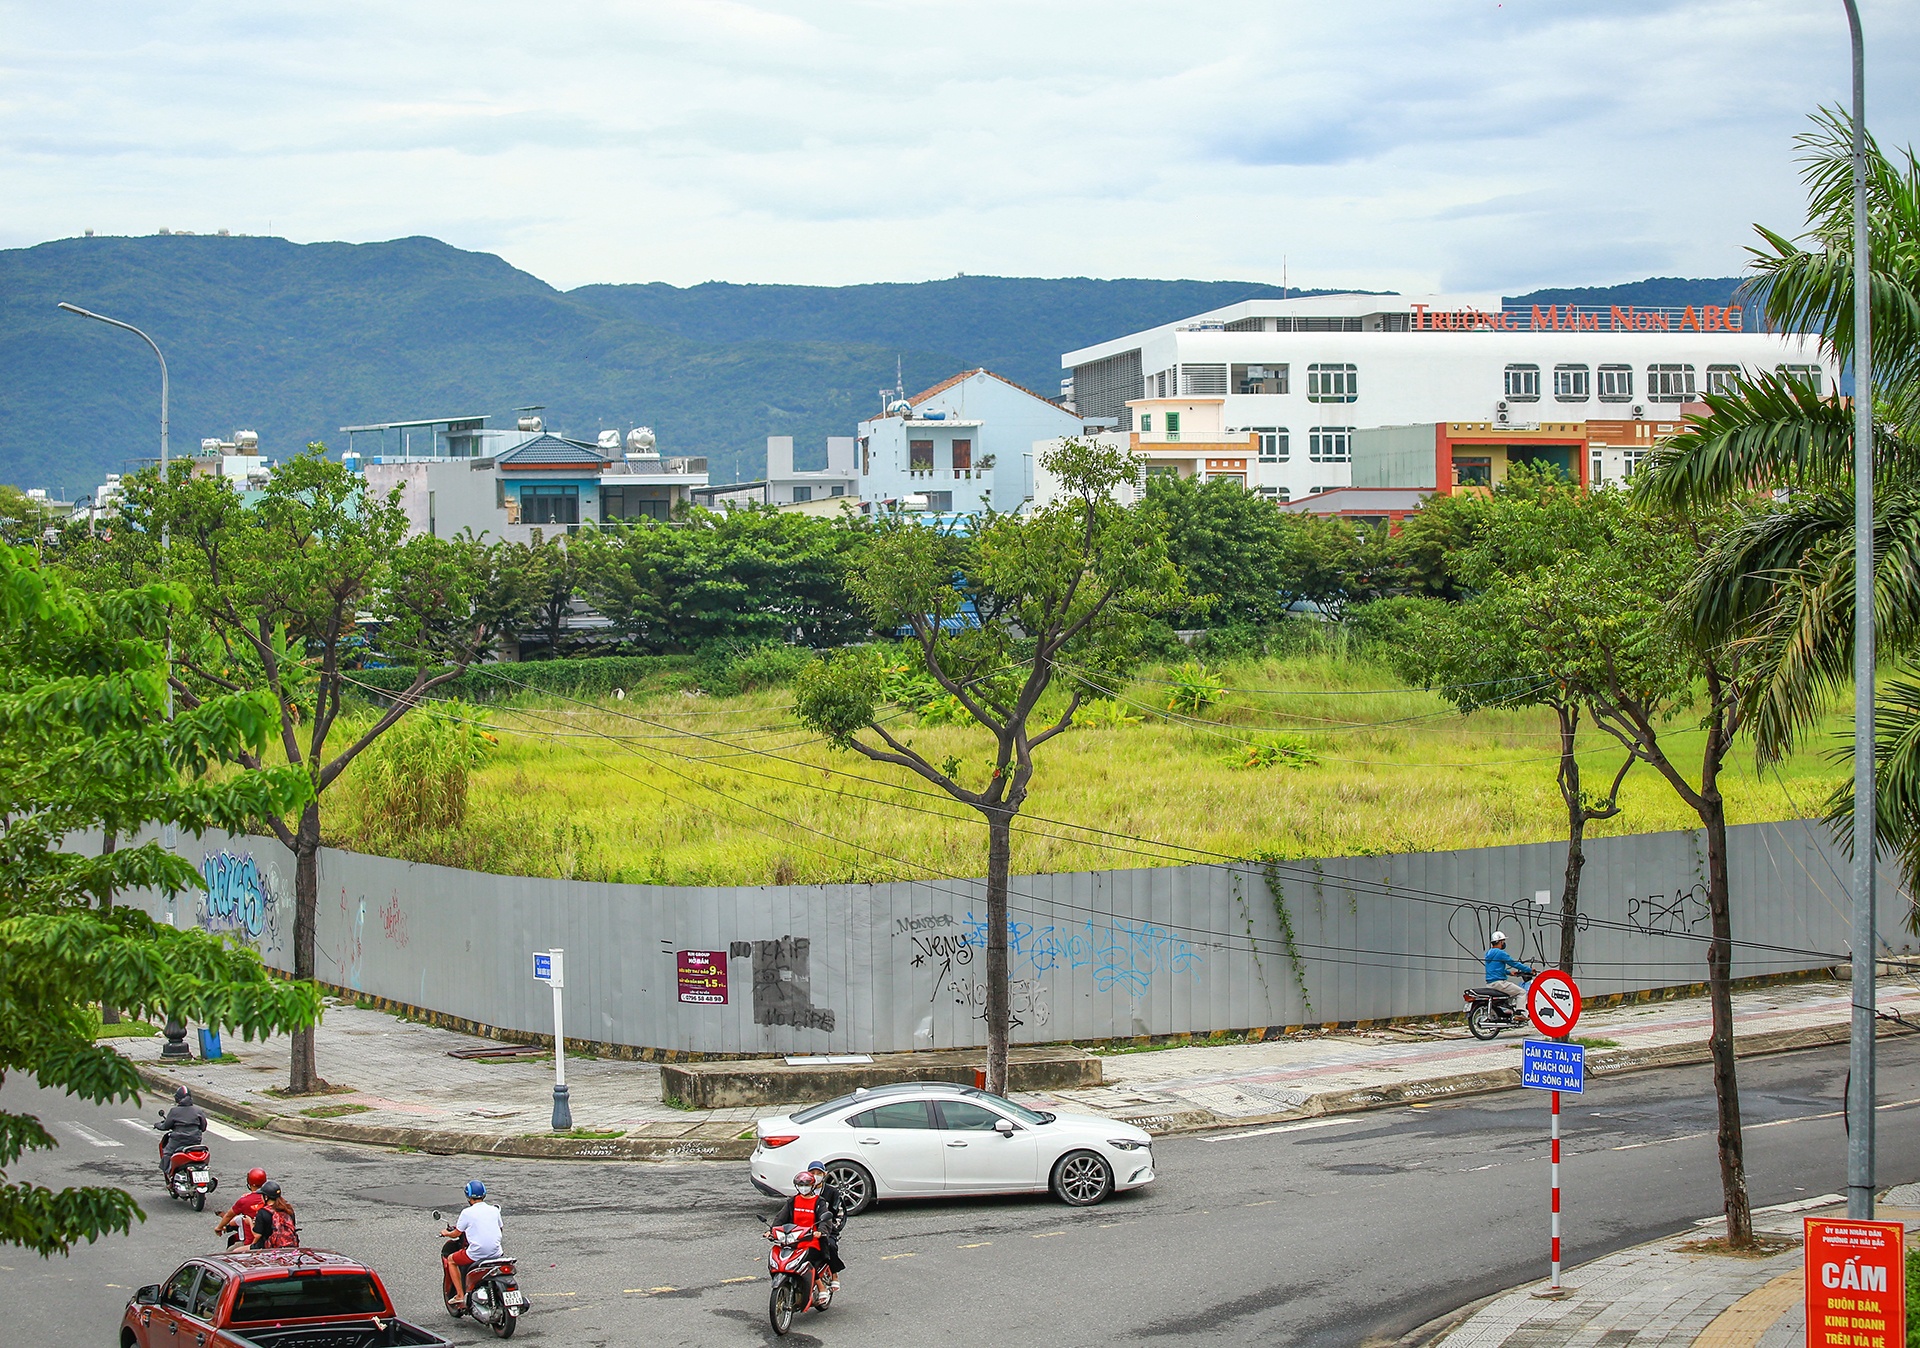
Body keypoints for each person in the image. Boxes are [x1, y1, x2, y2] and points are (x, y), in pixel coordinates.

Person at [772, 1168, 845, 1292]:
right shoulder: (792, 1201)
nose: (803, 1188)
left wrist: (820, 1232)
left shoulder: (819, 1202)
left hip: (811, 1239)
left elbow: (825, 1218)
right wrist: (772, 1230)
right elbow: (780, 1218)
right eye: (800, 1185)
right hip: (794, 1239)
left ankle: (821, 1288)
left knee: (806, 1260)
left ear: (812, 1186)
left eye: (806, 1185)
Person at [442, 1180, 504, 1309]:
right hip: (497, 1252)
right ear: (484, 1194)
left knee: (451, 1260)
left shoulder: (467, 1213)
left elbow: (456, 1233)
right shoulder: (494, 1210)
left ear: (468, 1196)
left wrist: (445, 1233)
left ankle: (459, 1295)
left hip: (477, 1253)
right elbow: (500, 1228)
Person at [155, 1086, 208, 1179]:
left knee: (167, 1153)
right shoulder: (198, 1110)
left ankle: (170, 1175)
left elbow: (165, 1126)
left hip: (178, 1141)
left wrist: (157, 1125)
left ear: (177, 1099)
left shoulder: (174, 1111)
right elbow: (203, 1127)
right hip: (195, 1140)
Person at [1483, 932, 1536, 1013]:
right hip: (1499, 983)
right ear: (1500, 942)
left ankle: (1508, 1012)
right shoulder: (1500, 953)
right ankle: (1520, 1013)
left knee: (1511, 994)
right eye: (1503, 941)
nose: (1504, 943)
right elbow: (1514, 963)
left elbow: (1494, 969)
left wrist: (1509, 973)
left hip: (1490, 984)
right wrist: (1529, 970)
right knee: (1522, 992)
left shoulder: (1488, 953)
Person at [215, 1168, 269, 1247]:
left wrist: (218, 1228)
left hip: (252, 1243)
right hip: (271, 1242)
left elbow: (229, 1215)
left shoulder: (245, 1200)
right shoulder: (273, 1198)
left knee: (230, 1253)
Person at [247, 1181, 300, 1250]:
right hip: (289, 1247)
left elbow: (257, 1235)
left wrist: (249, 1221)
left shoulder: (262, 1212)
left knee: (236, 1250)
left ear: (266, 1197)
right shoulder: (288, 1209)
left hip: (267, 1248)